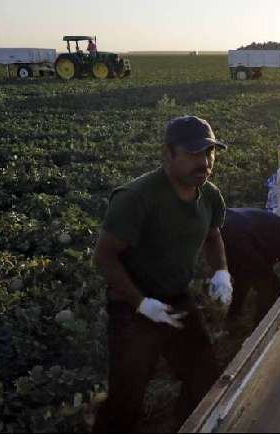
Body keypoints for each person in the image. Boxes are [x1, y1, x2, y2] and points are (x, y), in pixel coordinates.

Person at [91, 115, 232, 432]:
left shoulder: (209, 195)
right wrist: (141, 303)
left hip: (177, 299)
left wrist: (221, 272)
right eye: (194, 153)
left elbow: (213, 235)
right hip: (132, 308)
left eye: (210, 153)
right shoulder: (137, 198)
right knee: (127, 399)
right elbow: (103, 257)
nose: (205, 162)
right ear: (167, 154)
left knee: (204, 379)